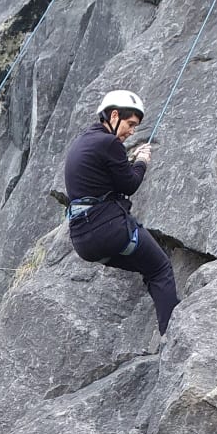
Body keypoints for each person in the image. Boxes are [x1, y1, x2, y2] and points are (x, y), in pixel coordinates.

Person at [63, 89, 179, 335]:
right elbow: (129, 185)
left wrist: (128, 162)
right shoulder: (109, 142)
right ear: (113, 115)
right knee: (161, 269)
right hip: (109, 230)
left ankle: (166, 326)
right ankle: (172, 336)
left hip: (83, 241)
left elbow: (107, 182)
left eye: (135, 127)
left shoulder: (84, 142)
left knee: (150, 269)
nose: (131, 132)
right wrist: (141, 162)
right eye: (130, 124)